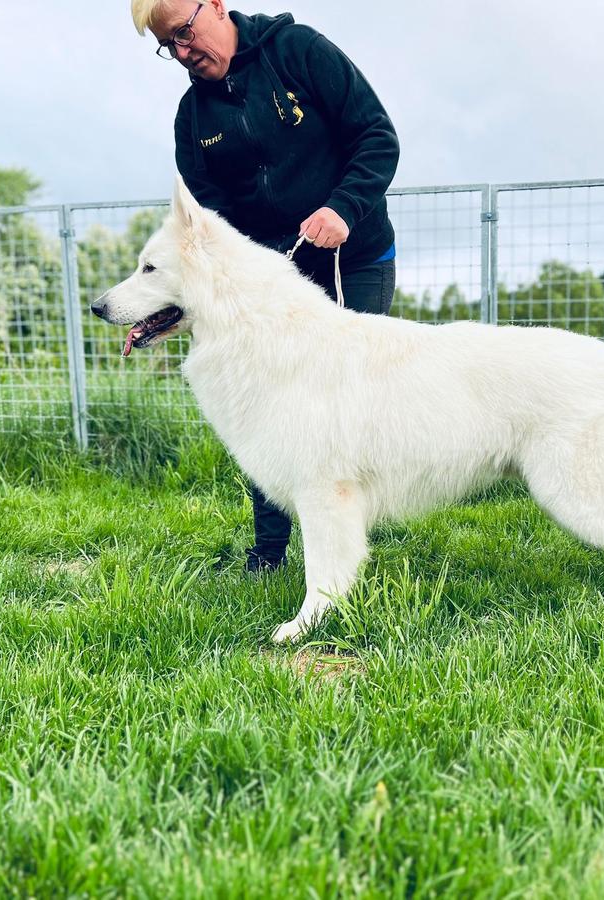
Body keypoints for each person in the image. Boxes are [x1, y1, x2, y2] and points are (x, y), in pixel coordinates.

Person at [131, 0, 400, 572]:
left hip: (355, 256)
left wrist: (342, 209)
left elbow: (377, 137)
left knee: (343, 406)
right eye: (168, 46)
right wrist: (256, 266)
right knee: (263, 405)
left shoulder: (298, 52)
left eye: (184, 33)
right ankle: (271, 552)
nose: (182, 53)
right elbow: (211, 220)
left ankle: (345, 538)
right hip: (269, 281)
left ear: (216, 6)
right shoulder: (193, 118)